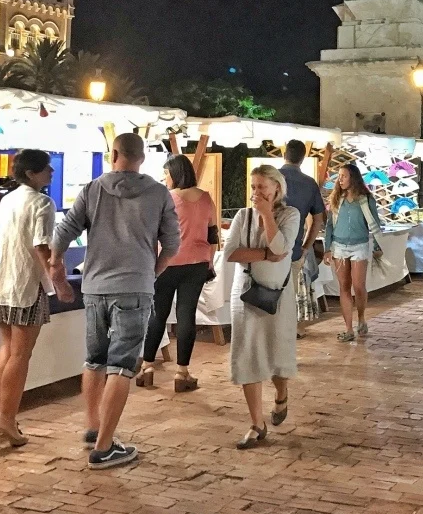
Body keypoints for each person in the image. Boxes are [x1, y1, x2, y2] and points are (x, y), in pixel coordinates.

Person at [51, 133, 180, 469]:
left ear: (114, 154)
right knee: (122, 364)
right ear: (141, 157)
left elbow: (63, 231)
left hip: (95, 287)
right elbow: (173, 244)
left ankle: (93, 427)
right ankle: (106, 447)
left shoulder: (93, 189)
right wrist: (153, 269)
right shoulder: (158, 192)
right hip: (134, 287)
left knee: (94, 359)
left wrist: (56, 266)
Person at [0, 149, 72, 449]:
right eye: (46, 168)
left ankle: (1, 408)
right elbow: (41, 246)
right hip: (26, 286)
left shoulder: (8, 200)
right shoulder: (42, 203)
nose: (51, 171)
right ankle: (7, 418)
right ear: (30, 173)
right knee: (21, 355)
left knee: (8, 348)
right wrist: (58, 282)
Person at [225, 164, 301, 448]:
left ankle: (281, 395)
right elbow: (231, 252)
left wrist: (267, 216)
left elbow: (282, 249)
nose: (256, 193)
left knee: (277, 353)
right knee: (247, 355)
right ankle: (256, 423)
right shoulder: (242, 217)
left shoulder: (290, 215)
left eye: (262, 187)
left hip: (277, 296)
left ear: (277, 189)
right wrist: (264, 254)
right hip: (244, 292)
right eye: (253, 187)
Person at [137, 155, 217, 392]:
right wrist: (209, 262)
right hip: (197, 264)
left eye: (167, 174)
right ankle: (182, 372)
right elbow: (212, 235)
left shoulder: (166, 198)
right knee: (186, 316)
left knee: (158, 314)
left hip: (167, 263)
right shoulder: (205, 198)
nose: (165, 178)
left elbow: (152, 233)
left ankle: (147, 367)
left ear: (175, 174)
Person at [324, 164, 382, 342]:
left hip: (360, 246)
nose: (340, 179)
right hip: (339, 246)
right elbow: (329, 225)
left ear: (353, 178)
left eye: (344, 176)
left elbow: (375, 222)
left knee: (358, 286)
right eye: (339, 176)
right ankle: (348, 329)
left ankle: (362, 317)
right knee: (344, 286)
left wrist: (377, 246)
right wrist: (327, 248)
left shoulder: (365, 199)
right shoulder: (336, 198)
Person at [279, 141, 327, 338]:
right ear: (303, 157)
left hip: (265, 249)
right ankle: (287, 335)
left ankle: (270, 338)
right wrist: (306, 246)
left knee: (268, 294)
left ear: (284, 153)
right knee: (289, 295)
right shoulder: (309, 183)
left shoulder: (271, 177)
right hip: (294, 250)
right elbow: (318, 220)